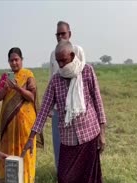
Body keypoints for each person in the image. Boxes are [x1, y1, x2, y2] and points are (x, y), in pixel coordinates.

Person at [22, 40, 107, 183]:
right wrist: (32, 137)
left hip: (89, 133)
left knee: (88, 178)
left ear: (72, 56)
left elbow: (97, 100)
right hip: (68, 138)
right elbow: (44, 109)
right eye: (58, 61)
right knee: (65, 177)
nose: (61, 65)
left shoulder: (87, 71)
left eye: (64, 60)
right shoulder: (56, 80)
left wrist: (102, 132)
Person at [0, 47, 44, 183]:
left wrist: (17, 88)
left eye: (16, 59)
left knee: (26, 152)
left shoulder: (28, 75)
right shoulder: (5, 77)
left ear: (21, 60)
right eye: (11, 60)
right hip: (9, 122)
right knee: (9, 151)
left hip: (26, 123)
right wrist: (6, 87)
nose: (14, 63)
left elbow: (31, 96)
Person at [49, 21, 86, 172]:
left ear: (69, 34)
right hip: (59, 108)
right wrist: (51, 108)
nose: (60, 36)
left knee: (78, 143)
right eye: (58, 34)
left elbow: (82, 75)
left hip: (76, 107)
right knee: (59, 144)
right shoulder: (53, 54)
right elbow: (52, 78)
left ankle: (77, 174)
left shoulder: (77, 50)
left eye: (63, 33)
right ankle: (62, 175)